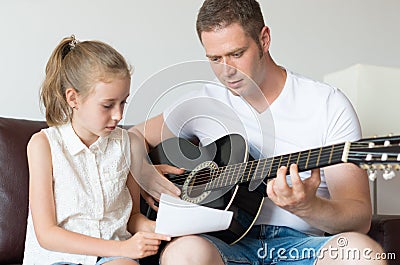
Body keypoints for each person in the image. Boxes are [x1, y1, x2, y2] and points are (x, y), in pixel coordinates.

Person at [129, 0, 389, 264]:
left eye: (237, 53)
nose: (226, 71)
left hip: (300, 244)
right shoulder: (202, 102)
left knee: (363, 253)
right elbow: (132, 136)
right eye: (215, 59)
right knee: (184, 254)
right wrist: (144, 171)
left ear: (264, 39)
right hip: (220, 242)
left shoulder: (327, 104)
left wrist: (309, 207)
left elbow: (359, 217)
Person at [23, 35, 171, 265]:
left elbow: (131, 217)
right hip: (58, 259)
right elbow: (47, 234)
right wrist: (122, 247)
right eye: (107, 105)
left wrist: (157, 229)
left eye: (123, 102)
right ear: (73, 98)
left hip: (115, 259)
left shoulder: (128, 144)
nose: (119, 115)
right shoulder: (44, 145)